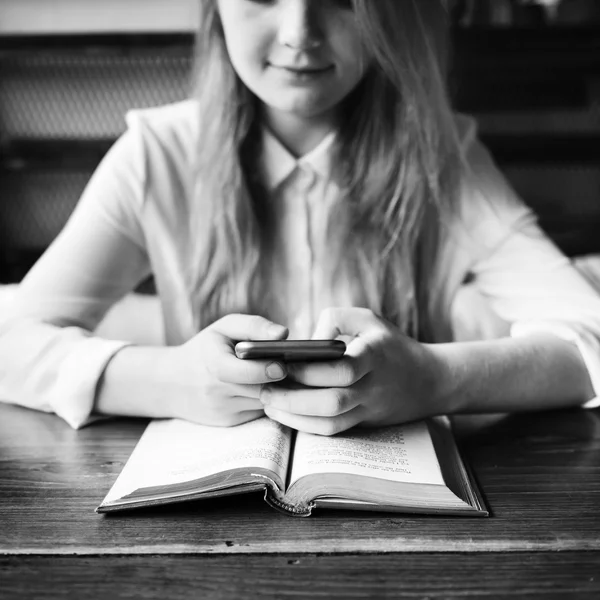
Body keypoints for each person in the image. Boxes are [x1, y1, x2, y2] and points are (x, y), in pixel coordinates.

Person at [0, 0, 599, 433]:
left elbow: (590, 335)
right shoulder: (156, 155)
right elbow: (11, 342)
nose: (299, 33)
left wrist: (431, 378)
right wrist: (172, 380)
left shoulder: (446, 160)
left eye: (342, 0)